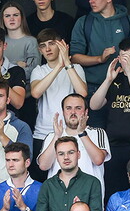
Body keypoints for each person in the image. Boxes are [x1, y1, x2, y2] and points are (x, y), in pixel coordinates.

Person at [89, 37, 130, 195]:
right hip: (113, 146)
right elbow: (94, 105)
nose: (129, 60)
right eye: (125, 56)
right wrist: (108, 80)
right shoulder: (115, 78)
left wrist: (129, 73)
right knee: (113, 192)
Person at [69, 0, 130, 100]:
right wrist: (99, 59)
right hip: (93, 87)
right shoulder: (83, 22)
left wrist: (128, 68)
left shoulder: (129, 22)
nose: (90, 1)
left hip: (124, 84)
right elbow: (74, 57)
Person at [30, 33, 88, 176]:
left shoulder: (76, 68)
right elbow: (36, 93)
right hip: (43, 133)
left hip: (71, 132)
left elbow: (83, 93)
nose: (48, 49)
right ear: (40, 50)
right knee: (42, 179)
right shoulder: (39, 70)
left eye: (52, 43)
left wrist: (67, 65)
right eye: (43, 46)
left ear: (62, 45)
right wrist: (58, 67)